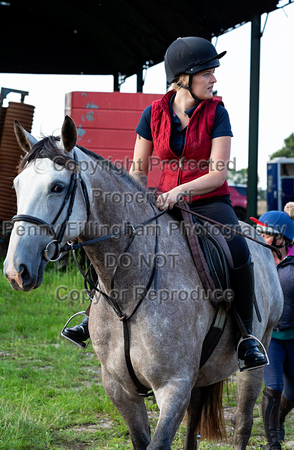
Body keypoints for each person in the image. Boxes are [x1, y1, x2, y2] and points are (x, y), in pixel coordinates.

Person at [128, 36, 267, 370]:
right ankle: (92, 317)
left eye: (213, 73)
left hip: (209, 203)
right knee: (120, 242)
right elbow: (138, 170)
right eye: (208, 72)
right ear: (184, 77)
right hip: (162, 204)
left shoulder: (218, 113)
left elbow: (218, 174)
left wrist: (180, 192)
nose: (214, 79)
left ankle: (246, 337)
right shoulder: (152, 113)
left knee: (239, 251)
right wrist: (133, 205)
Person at [251, 208, 294, 450]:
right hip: (271, 338)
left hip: (293, 337)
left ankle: (278, 419)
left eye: (264, 233)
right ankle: (273, 443)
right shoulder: (256, 260)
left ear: (281, 239)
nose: (259, 236)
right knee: (273, 387)